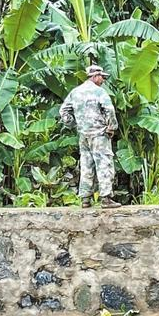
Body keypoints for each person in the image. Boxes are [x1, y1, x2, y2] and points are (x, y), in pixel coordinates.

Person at [59, 64, 121, 208]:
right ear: (95, 76)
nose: (103, 80)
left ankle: (85, 199)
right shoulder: (99, 92)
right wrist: (111, 127)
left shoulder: (75, 92)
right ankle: (105, 198)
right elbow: (109, 110)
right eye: (102, 77)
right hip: (99, 134)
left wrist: (74, 124)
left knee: (86, 165)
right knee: (104, 164)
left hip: (84, 135)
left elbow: (63, 111)